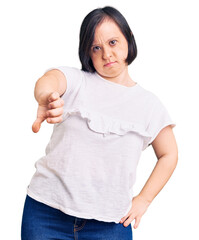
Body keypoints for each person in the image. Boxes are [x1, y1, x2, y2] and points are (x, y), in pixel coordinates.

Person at [21, 6, 178, 240]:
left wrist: (144, 200)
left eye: (113, 42)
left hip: (109, 225)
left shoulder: (149, 105)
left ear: (129, 39)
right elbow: (50, 80)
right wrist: (46, 96)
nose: (106, 54)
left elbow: (169, 154)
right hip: (45, 213)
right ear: (87, 52)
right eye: (96, 47)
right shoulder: (77, 81)